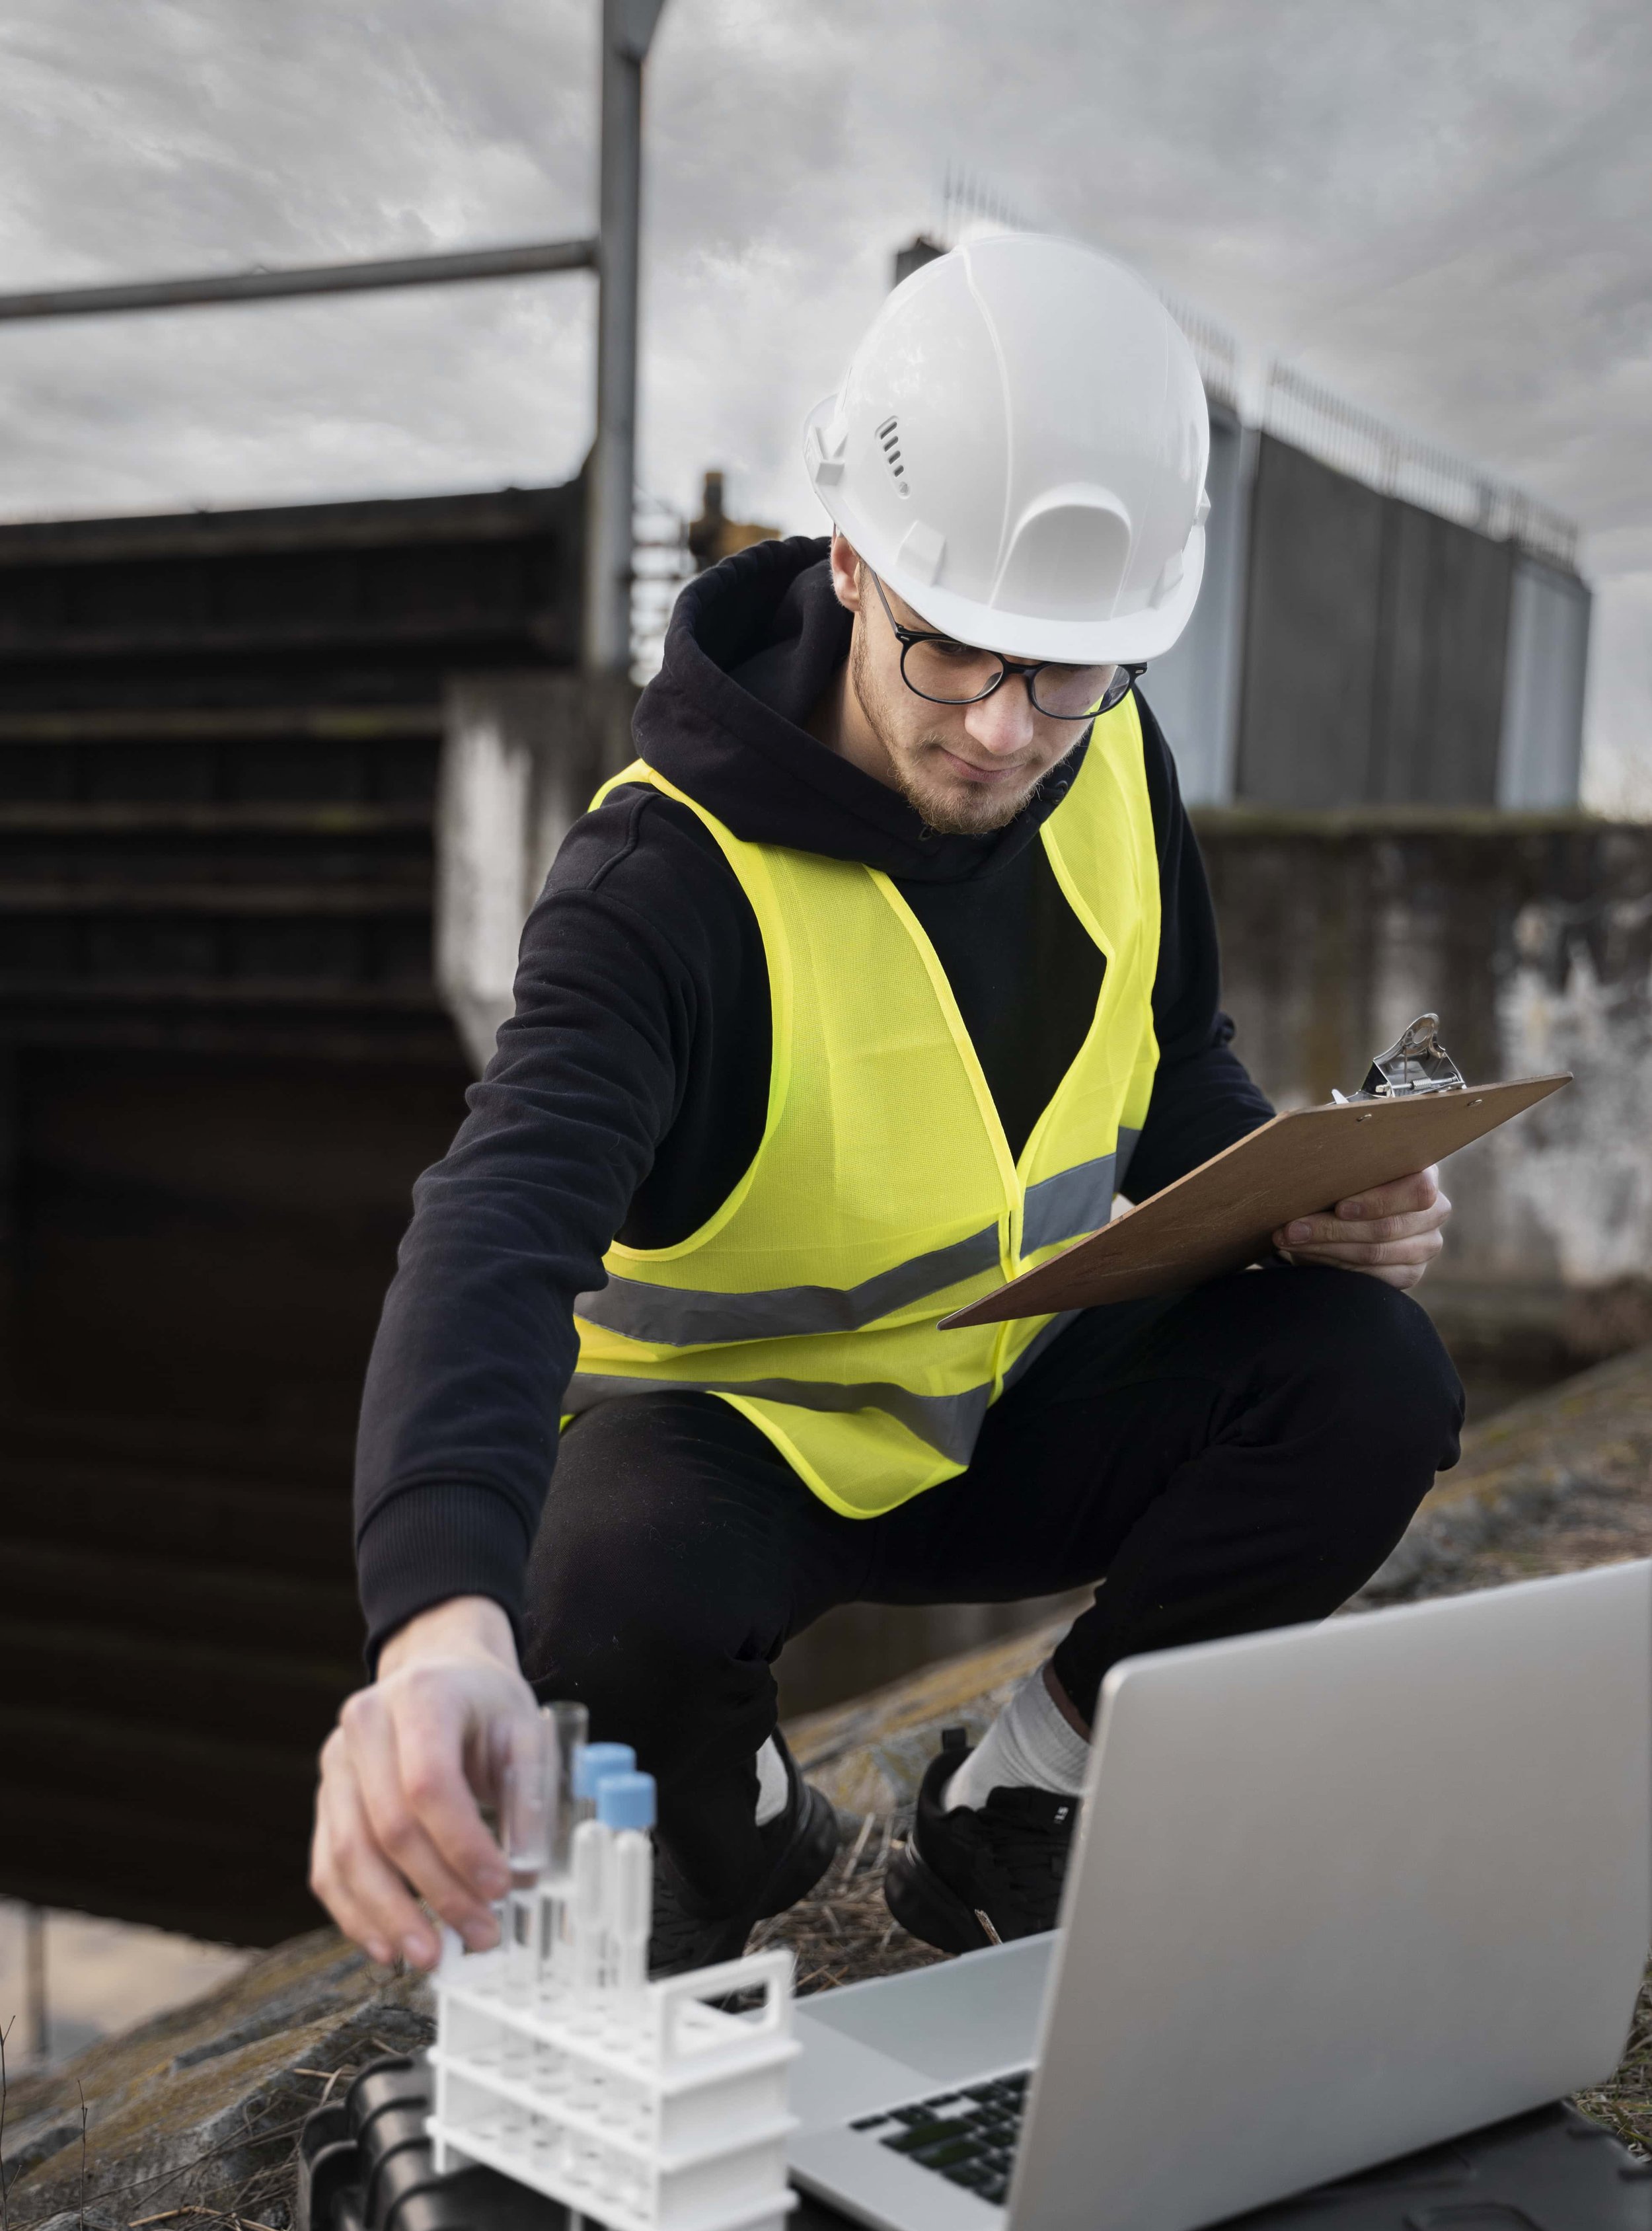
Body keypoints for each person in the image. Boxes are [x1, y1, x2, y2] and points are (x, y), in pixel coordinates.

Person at [310, 234, 1461, 1977]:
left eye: (1065, 675)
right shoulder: (659, 886)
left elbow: (1170, 1072)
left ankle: (1018, 1801)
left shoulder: (1109, 756)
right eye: (949, 655)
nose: (1005, 733)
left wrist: (1298, 1189)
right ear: (851, 565)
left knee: (1368, 1376)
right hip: (731, 1463)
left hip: (1011, 1395)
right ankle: (745, 1834)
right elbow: (496, 1222)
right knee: (596, 1588)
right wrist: (430, 1630)